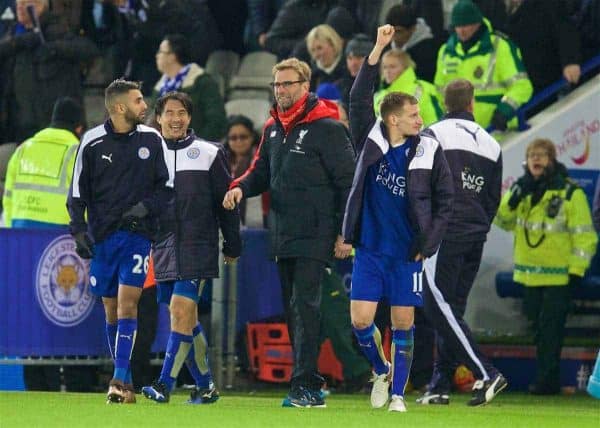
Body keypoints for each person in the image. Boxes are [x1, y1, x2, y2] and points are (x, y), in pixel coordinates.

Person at [222, 57, 355, 408]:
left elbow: (349, 184)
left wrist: (345, 233)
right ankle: (309, 381)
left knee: (306, 306)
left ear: (305, 86)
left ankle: (305, 386)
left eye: (287, 84)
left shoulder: (328, 128)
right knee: (296, 309)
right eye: (277, 84)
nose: (280, 90)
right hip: (281, 233)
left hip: (316, 232)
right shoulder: (273, 128)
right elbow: (260, 172)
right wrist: (239, 188)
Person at [340, 25, 454, 413]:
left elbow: (446, 201)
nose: (420, 119)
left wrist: (429, 244)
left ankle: (399, 396)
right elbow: (359, 98)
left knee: (404, 323)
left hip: (408, 253)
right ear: (392, 119)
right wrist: (376, 48)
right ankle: (381, 369)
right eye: (413, 113)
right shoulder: (369, 139)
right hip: (370, 248)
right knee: (360, 322)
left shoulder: (430, 150)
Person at [67, 79, 174, 403]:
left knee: (129, 303)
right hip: (104, 237)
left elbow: (167, 187)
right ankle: (124, 384)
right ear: (118, 108)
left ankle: (117, 379)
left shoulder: (152, 140)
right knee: (111, 310)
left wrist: (145, 208)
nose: (145, 106)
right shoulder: (92, 141)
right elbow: (77, 192)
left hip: (138, 237)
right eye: (139, 101)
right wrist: (78, 230)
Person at [141, 91, 241, 404]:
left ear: (190, 118)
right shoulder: (147, 155)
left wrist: (232, 244)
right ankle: (206, 385)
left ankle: (164, 384)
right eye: (169, 113)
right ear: (158, 118)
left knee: (179, 311)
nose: (175, 119)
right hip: (163, 245)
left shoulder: (210, 152)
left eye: (181, 113)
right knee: (187, 319)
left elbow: (226, 203)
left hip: (198, 243)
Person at [417, 78, 506, 406]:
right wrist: (479, 225)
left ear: (444, 104)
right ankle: (440, 385)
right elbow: (493, 196)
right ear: (471, 105)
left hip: (446, 232)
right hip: (474, 234)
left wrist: (424, 230)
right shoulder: (491, 144)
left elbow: (420, 186)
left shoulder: (433, 134)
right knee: (450, 310)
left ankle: (485, 372)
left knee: (435, 305)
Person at [2, 97, 97, 392]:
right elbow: (88, 200)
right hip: (65, 245)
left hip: (22, 245)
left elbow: (7, 199)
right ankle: (78, 382)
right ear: (79, 126)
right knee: (68, 317)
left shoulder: (23, 150)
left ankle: (37, 383)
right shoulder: (78, 151)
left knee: (33, 317)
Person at [495, 138, 597, 395]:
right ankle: (545, 378)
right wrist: (514, 197)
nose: (536, 160)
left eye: (542, 155)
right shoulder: (522, 190)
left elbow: (585, 236)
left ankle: (547, 382)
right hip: (529, 275)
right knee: (538, 332)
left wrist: (576, 269)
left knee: (551, 332)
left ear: (552, 160)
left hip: (559, 276)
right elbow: (503, 221)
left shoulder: (570, 193)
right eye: (532, 155)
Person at [0, 0, 99, 144]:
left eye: (26, 3)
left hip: (49, 122)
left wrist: (53, 49)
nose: (19, 7)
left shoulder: (56, 29)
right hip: (18, 122)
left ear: (41, 7)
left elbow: (88, 49)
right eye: (18, 3)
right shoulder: (12, 33)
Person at [433, 0, 533, 131]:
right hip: (463, 136)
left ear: (478, 23)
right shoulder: (446, 52)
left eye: (466, 25)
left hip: (499, 130)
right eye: (458, 26)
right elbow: (439, 93)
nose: (461, 31)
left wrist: (505, 110)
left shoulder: (499, 46)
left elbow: (522, 85)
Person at [147, 34, 227, 142]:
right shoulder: (160, 87)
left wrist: (195, 145)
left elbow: (217, 121)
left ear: (172, 56)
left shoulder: (202, 82)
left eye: (160, 52)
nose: (157, 56)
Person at [505, 0, 582, 95]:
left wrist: (570, 60)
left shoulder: (546, 4)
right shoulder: (501, 15)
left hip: (559, 80)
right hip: (532, 91)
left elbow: (564, 28)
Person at [374, 49, 443, 126]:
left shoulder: (424, 89)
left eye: (392, 67)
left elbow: (435, 123)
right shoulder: (380, 95)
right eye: (384, 67)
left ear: (405, 67)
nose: (387, 71)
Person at [223, 115, 264, 228]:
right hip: (228, 220)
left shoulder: (261, 158)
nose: (239, 141)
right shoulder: (220, 160)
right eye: (233, 138)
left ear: (252, 137)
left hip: (260, 220)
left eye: (243, 136)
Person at [385, 4, 441, 83]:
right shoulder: (385, 46)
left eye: (398, 32)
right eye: (390, 31)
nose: (393, 37)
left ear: (413, 29)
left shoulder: (428, 52)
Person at [306, 24, 348, 91]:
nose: (316, 55)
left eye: (319, 48)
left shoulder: (350, 70)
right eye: (313, 50)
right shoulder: (312, 78)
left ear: (333, 44)